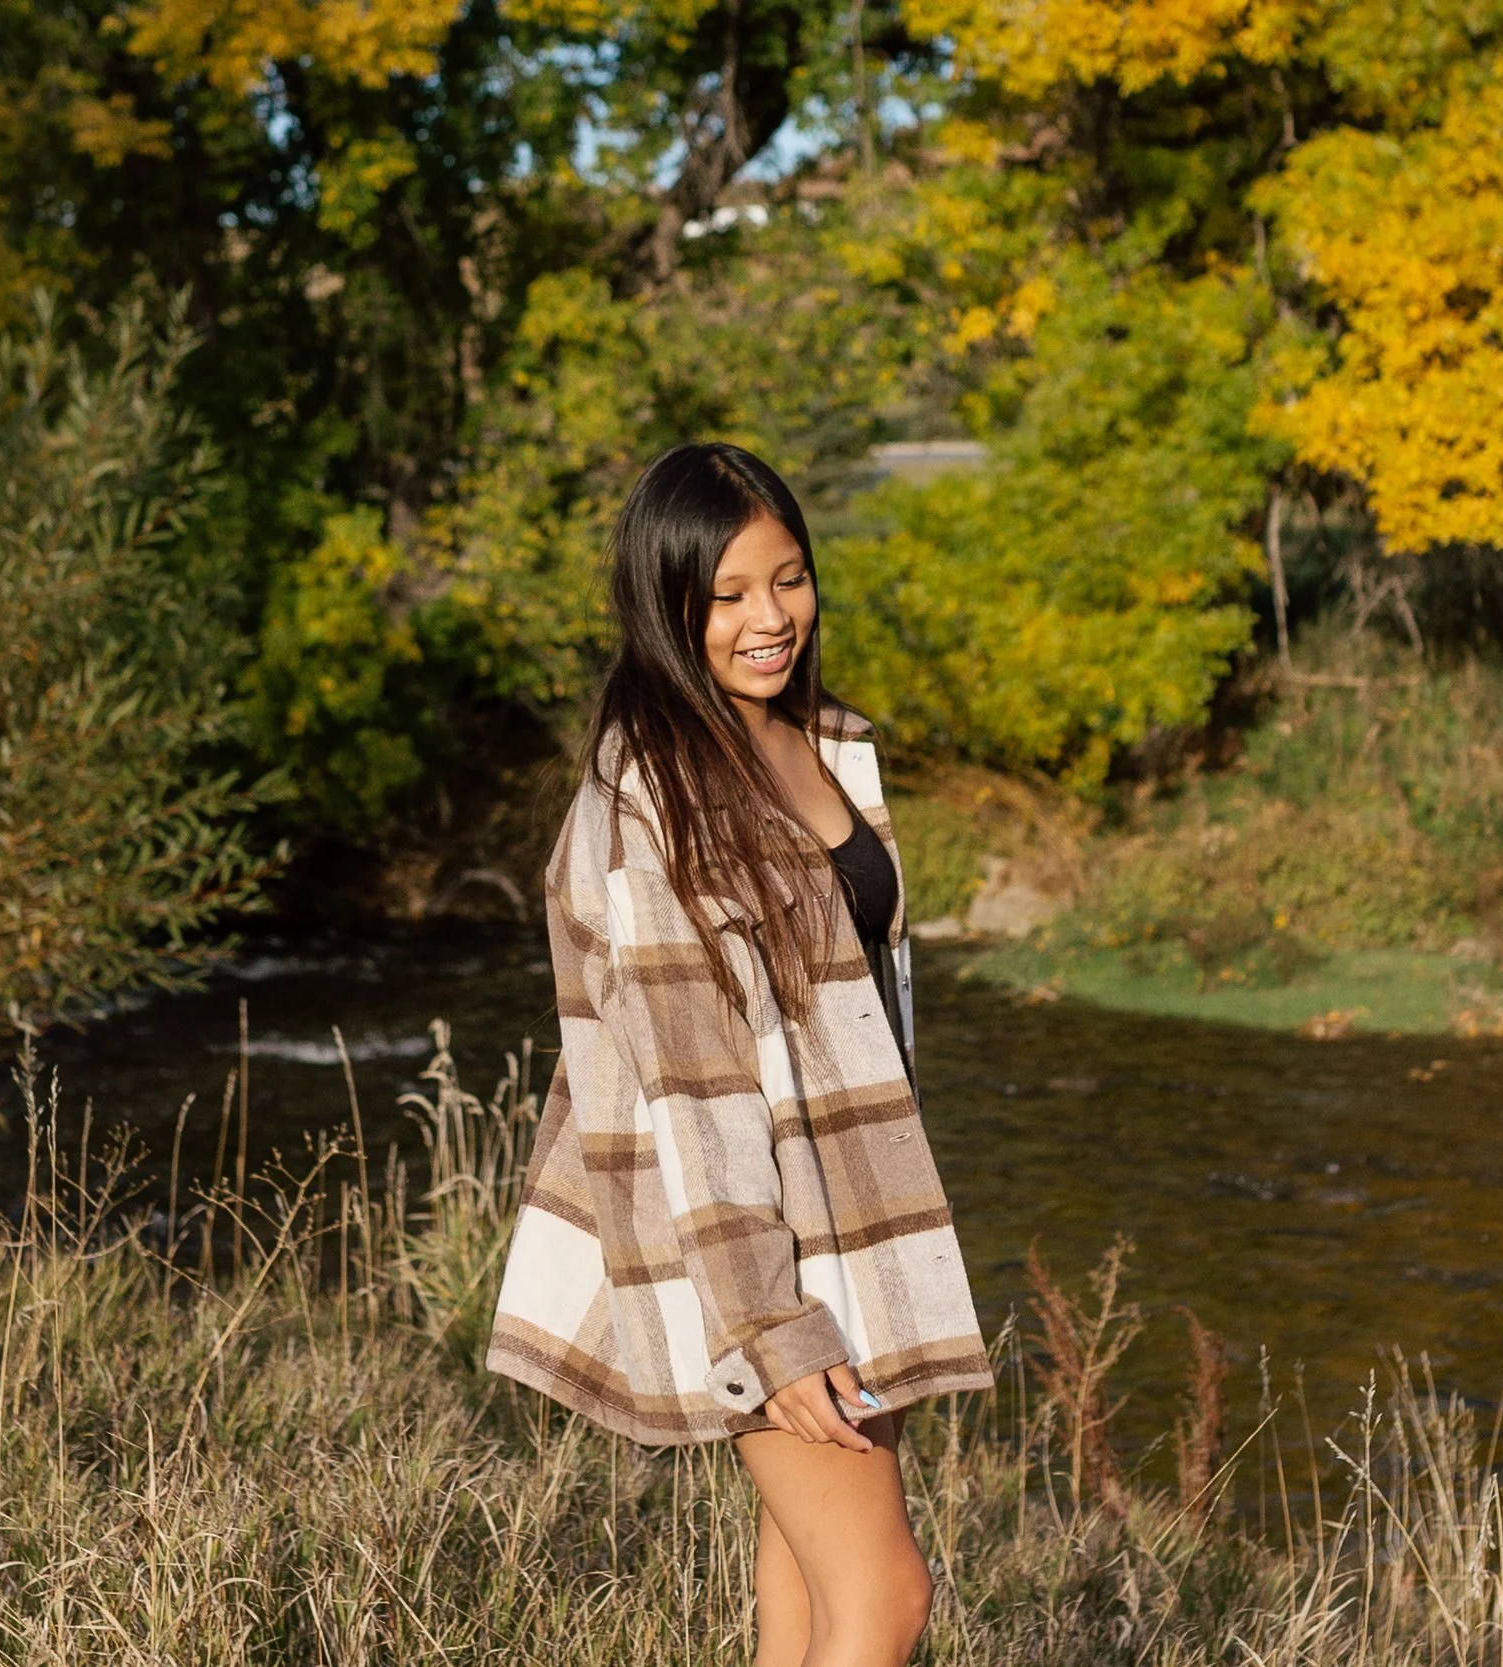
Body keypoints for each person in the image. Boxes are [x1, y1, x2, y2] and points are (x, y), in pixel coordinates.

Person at [486, 441, 993, 1667]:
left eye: (788, 578)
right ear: (663, 604)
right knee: (884, 1598)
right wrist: (771, 1322)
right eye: (726, 596)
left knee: (807, 1596)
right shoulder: (649, 798)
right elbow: (694, 1093)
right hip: (753, 1249)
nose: (768, 618)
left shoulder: (819, 738)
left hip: (844, 1211)